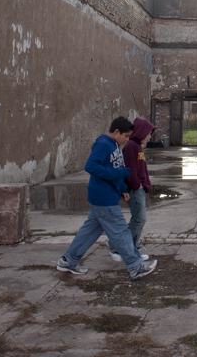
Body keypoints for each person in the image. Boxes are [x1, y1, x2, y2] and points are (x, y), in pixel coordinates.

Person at [56, 116, 157, 281]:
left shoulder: (115, 146)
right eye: (125, 136)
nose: (127, 140)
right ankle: (136, 266)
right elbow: (91, 166)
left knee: (89, 231)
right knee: (120, 231)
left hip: (106, 195)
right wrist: (120, 174)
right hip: (103, 196)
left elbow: (115, 167)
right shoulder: (104, 145)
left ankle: (68, 260)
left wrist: (123, 188)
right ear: (116, 132)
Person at [109, 117, 154, 262]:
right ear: (141, 132)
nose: (149, 137)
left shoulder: (137, 146)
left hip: (139, 189)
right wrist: (137, 185)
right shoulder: (131, 147)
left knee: (138, 219)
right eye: (148, 133)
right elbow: (130, 170)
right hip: (134, 190)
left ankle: (132, 248)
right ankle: (118, 245)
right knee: (139, 219)